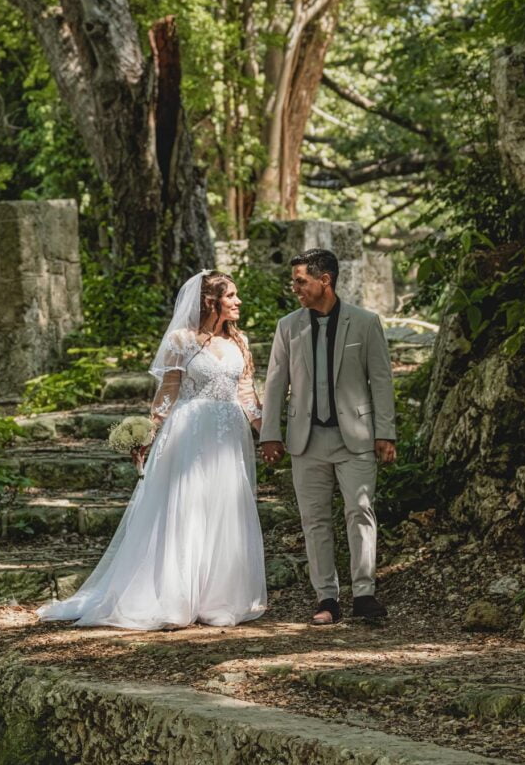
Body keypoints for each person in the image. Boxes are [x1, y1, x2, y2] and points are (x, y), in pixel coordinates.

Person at [36, 270, 267, 630]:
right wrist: (148, 432)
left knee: (225, 509)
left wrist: (265, 433)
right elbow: (167, 394)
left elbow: (247, 394)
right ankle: (175, 598)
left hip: (228, 435)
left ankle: (219, 599)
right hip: (190, 433)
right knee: (186, 509)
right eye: (231, 295)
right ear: (211, 301)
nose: (238, 302)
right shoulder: (181, 341)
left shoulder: (240, 342)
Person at [260, 249, 396, 625]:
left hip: (356, 438)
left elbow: (381, 381)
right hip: (306, 439)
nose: (295, 288)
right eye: (294, 281)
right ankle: (327, 598)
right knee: (314, 520)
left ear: (326, 280)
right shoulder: (288, 326)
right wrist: (270, 433)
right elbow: (275, 383)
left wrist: (385, 432)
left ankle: (364, 593)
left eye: (301, 281)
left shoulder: (365, 323)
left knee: (361, 512)